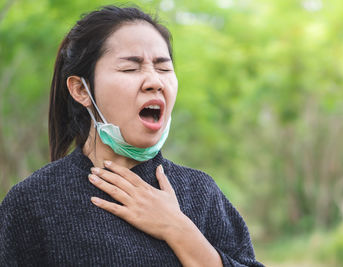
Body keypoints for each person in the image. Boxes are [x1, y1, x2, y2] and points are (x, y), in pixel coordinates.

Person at [0, 5, 264, 267]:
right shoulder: (33, 202)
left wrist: (178, 229)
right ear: (81, 89)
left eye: (163, 68)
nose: (154, 82)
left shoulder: (201, 194)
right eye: (130, 68)